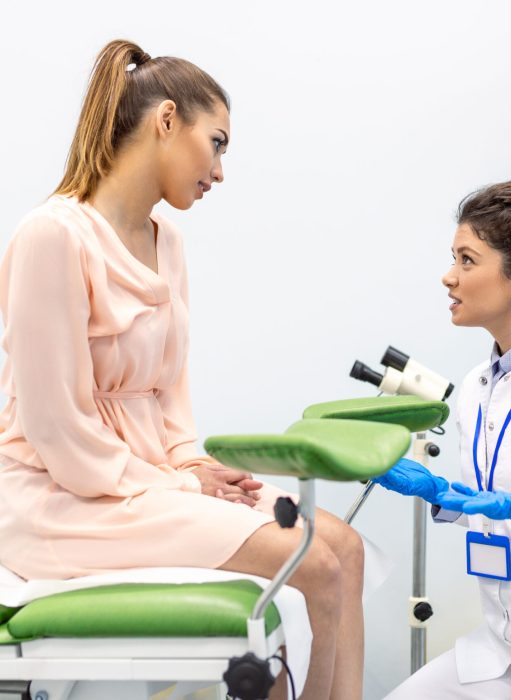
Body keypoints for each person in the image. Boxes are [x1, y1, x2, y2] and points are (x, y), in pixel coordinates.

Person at [0, 39, 365, 700]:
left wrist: (189, 465)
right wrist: (178, 484)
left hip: (151, 483)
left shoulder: (170, 242)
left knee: (346, 548)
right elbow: (58, 432)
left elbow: (171, 394)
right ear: (166, 120)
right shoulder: (52, 236)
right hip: (64, 500)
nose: (220, 171)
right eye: (217, 142)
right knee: (313, 563)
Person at [377, 180, 511, 699]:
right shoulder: (478, 387)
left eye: (467, 260)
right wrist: (444, 498)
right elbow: (494, 505)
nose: (449, 276)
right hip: (500, 649)